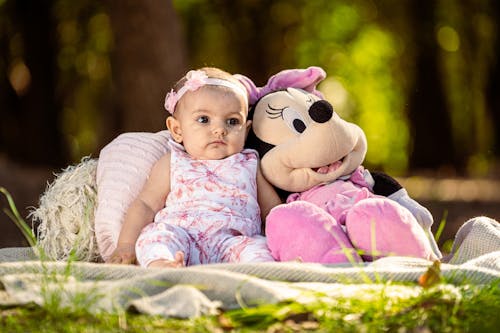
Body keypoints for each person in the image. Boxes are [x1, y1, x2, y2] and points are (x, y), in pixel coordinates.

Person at [109, 67, 282, 268]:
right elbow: (146, 205)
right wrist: (126, 244)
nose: (219, 130)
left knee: (258, 249)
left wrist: (288, 244)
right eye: (203, 119)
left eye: (232, 121)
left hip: (234, 242)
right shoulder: (173, 162)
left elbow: (272, 211)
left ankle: (263, 272)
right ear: (177, 129)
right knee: (155, 236)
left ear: (246, 130)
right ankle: (164, 265)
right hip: (182, 237)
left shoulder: (249, 164)